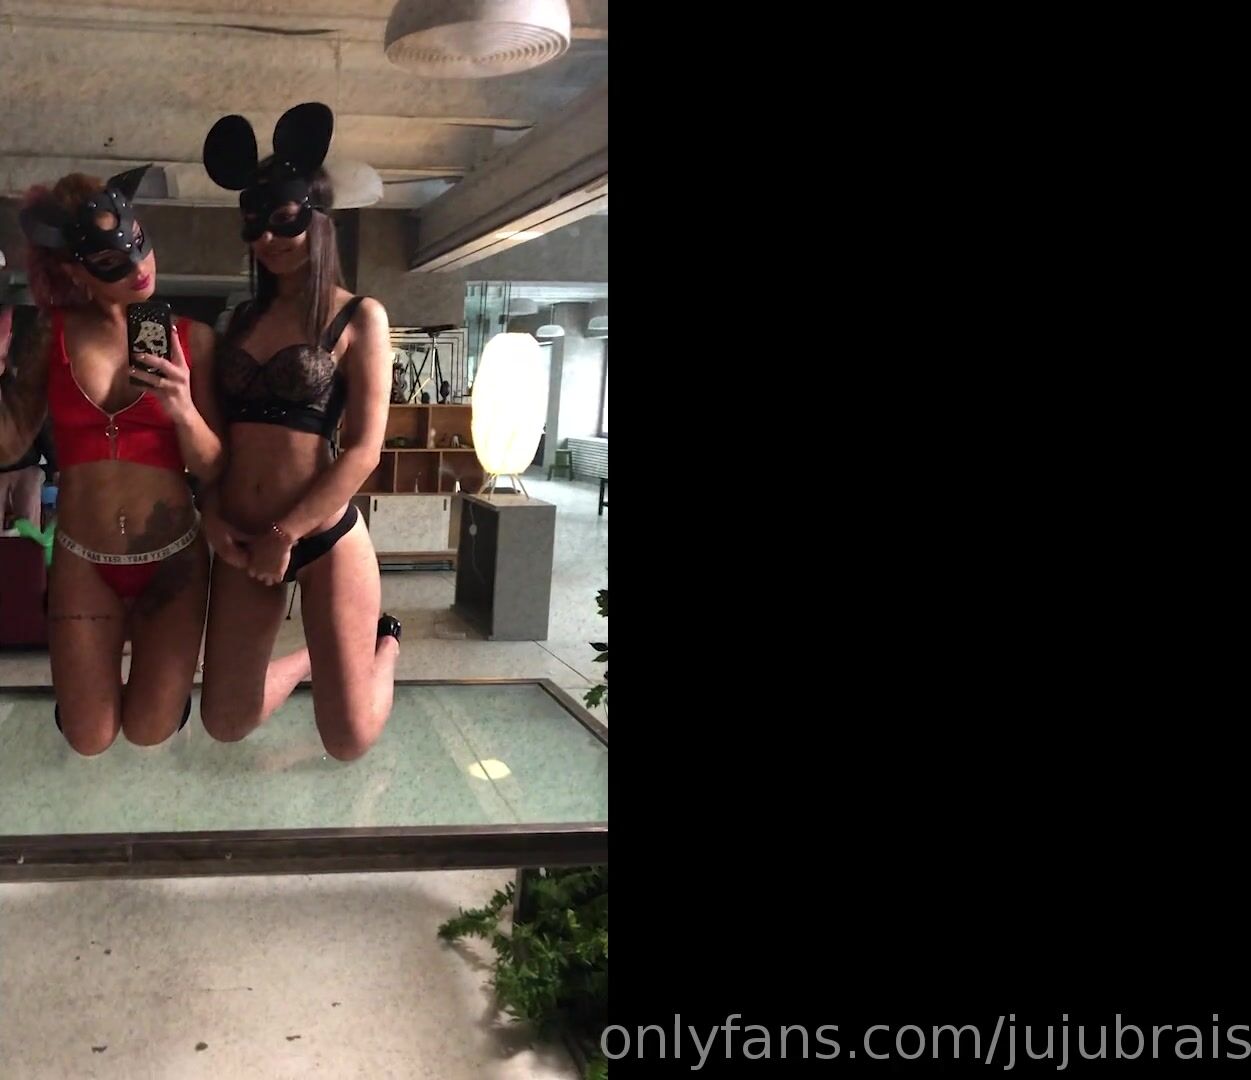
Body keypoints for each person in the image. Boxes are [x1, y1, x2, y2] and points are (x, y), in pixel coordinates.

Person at [198, 102, 399, 761]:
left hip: (322, 535)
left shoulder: (360, 317)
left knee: (348, 740)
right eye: (253, 226)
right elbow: (214, 442)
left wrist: (285, 534)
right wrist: (210, 512)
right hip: (243, 537)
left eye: (283, 219)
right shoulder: (240, 322)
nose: (268, 239)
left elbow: (364, 450)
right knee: (225, 722)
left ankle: (385, 644)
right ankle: (317, 656)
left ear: (317, 216)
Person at [0, 168, 223, 753]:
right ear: (75, 271)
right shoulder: (48, 334)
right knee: (89, 737)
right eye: (110, 261)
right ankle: (85, 699)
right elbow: (8, 442)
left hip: (174, 558)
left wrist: (182, 408)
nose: (138, 265)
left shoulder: (191, 338)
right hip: (83, 559)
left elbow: (213, 467)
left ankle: (162, 698)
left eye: (139, 241)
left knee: (150, 731)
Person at [0, 305, 57, 530]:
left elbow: (40, 423)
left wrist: (55, 465)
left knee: (29, 532)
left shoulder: (15, 386)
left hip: (27, 467)